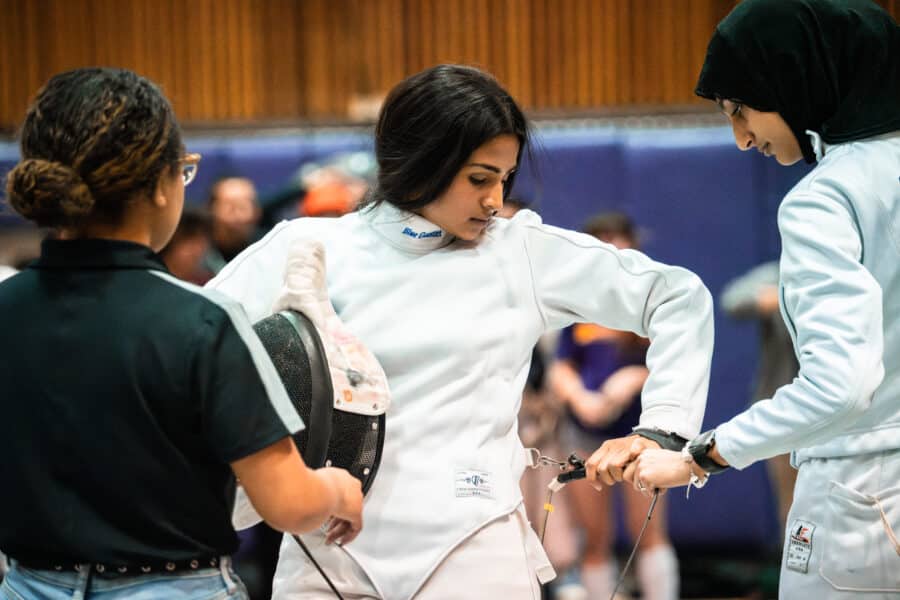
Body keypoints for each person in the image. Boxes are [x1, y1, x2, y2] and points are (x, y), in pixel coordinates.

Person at [208, 64, 714, 600]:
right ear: (424, 161)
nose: (495, 201)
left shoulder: (520, 251)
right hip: (324, 551)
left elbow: (677, 296)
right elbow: (187, 343)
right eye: (479, 179)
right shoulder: (309, 246)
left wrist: (662, 429)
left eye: (504, 179)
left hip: (473, 546)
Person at [0, 67, 362, 600]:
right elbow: (286, 502)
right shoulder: (204, 321)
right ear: (160, 186)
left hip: (28, 585)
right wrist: (338, 489)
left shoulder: (6, 309)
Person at [624, 1, 900, 598]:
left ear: (794, 76)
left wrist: (699, 456)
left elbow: (841, 385)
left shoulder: (825, 197)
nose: (742, 138)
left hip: (865, 500)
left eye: (740, 109)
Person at [549, 212, 678, 600]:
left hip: (642, 433)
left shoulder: (656, 301)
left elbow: (674, 365)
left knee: (648, 531)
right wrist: (578, 397)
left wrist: (633, 379)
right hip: (585, 430)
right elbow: (561, 365)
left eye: (619, 243)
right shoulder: (577, 304)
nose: (612, 252)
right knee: (595, 536)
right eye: (602, 243)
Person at [721, 261, 799, 530]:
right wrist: (785, 296)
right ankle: (792, 568)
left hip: (842, 405)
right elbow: (733, 300)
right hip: (782, 404)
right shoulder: (778, 273)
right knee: (792, 504)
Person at [204, 176, 262, 275]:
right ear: (211, 209)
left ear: (257, 211)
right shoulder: (196, 254)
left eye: (243, 206)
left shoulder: (265, 249)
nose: (237, 215)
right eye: (230, 207)